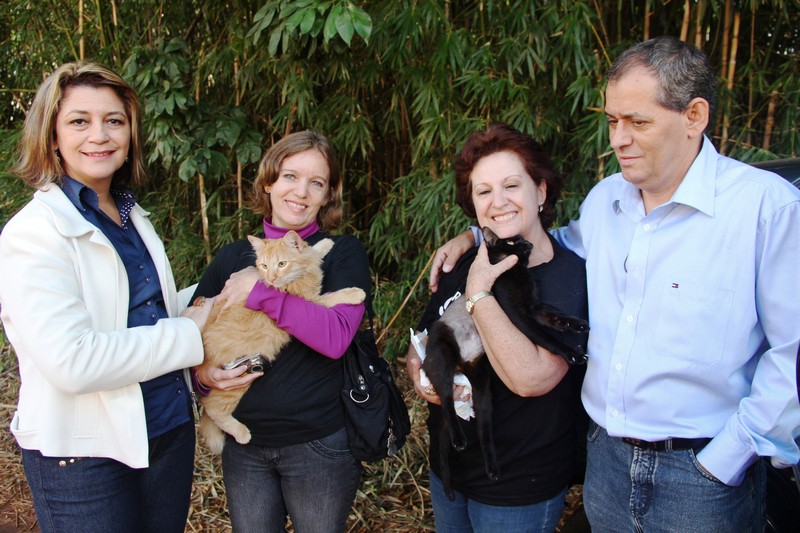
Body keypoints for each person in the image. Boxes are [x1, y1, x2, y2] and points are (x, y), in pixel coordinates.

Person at [430, 37, 800, 532]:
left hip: (703, 476)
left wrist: (726, 459)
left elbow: (792, 355)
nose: (617, 139)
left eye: (637, 122)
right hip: (606, 463)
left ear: (694, 116)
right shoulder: (608, 201)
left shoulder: (766, 210)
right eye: (612, 121)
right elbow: (549, 240)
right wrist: (475, 232)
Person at [0, 61, 214, 533]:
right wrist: (191, 332)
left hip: (164, 432)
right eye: (80, 121)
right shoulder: (33, 235)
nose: (100, 134)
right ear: (52, 136)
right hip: (82, 454)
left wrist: (223, 289)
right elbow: (73, 361)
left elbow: (144, 314)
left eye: (114, 121)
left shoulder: (132, 215)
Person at [405, 123, 589, 532]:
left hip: (518, 486)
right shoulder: (466, 259)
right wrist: (423, 378)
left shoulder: (567, 276)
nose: (498, 201)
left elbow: (532, 380)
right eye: (484, 191)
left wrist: (478, 294)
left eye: (511, 185)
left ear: (540, 192)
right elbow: (419, 345)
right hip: (449, 471)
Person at [192, 130, 370, 532]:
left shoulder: (343, 252)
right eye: (290, 176)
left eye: (316, 183)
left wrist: (260, 291)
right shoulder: (234, 256)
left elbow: (335, 338)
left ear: (327, 196)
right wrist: (203, 379)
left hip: (318, 443)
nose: (301, 192)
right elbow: (192, 333)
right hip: (246, 445)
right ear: (269, 181)